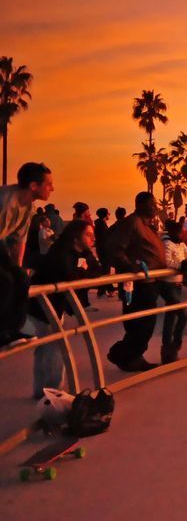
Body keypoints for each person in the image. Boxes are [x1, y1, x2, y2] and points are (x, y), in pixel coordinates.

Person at [27, 220, 104, 396]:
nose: (93, 238)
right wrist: (83, 271)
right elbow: (68, 275)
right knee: (55, 346)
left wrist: (83, 270)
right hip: (41, 306)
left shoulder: (82, 252)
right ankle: (53, 391)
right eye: (88, 234)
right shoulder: (60, 251)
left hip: (54, 306)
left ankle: (42, 391)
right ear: (76, 237)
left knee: (46, 347)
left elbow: (98, 270)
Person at [104, 192, 167, 371]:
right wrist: (130, 267)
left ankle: (131, 356)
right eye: (151, 203)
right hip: (138, 284)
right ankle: (123, 354)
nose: (155, 206)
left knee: (145, 322)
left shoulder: (146, 225)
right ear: (140, 205)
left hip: (151, 283)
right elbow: (115, 248)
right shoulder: (132, 223)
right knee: (140, 323)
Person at [0, 162, 55, 349]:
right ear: (33, 186)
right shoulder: (5, 202)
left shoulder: (28, 209)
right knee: (4, 280)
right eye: (48, 184)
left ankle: (13, 329)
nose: (52, 189)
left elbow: (18, 242)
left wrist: (18, 269)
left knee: (21, 278)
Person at [158, 220, 187, 364]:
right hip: (168, 284)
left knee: (170, 317)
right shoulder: (167, 244)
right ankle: (174, 346)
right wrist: (182, 265)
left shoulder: (181, 244)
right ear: (173, 232)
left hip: (178, 284)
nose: (183, 234)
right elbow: (167, 262)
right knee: (183, 316)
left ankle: (168, 351)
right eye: (180, 232)